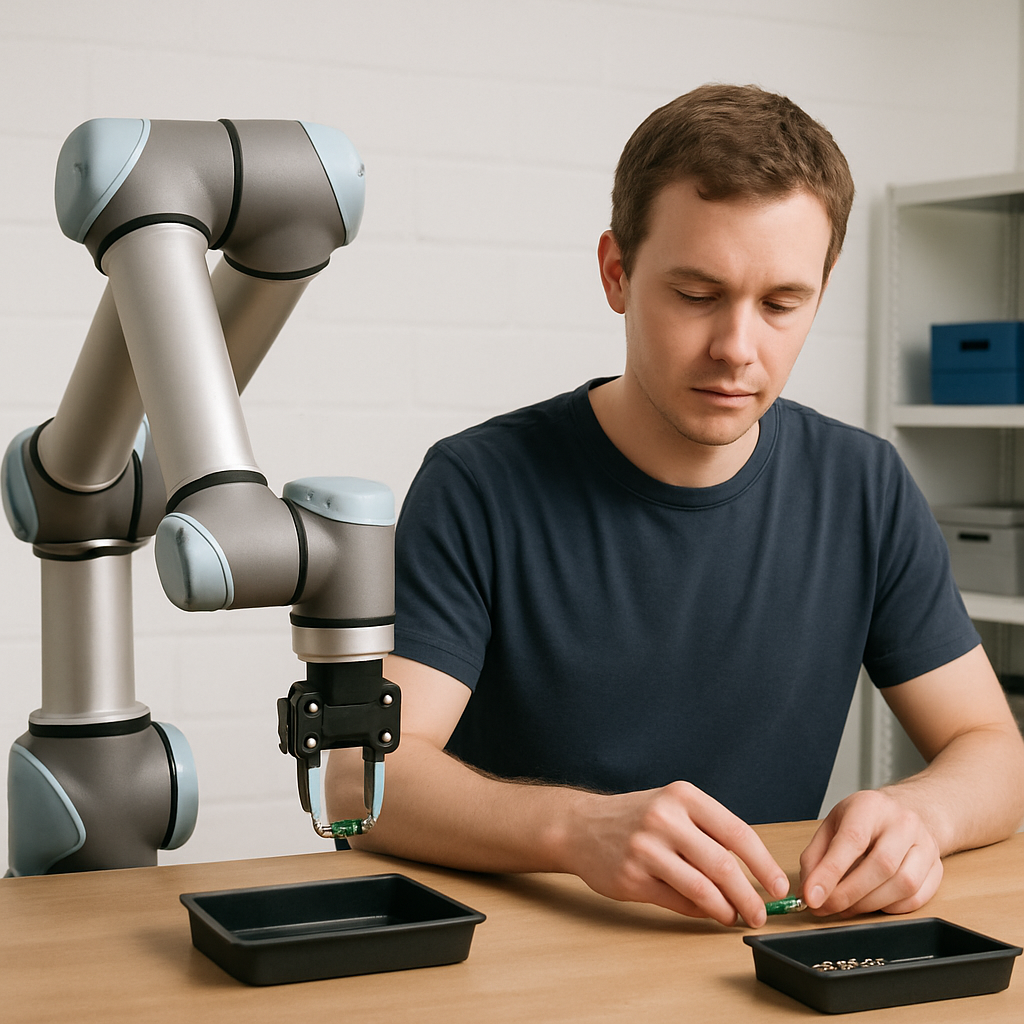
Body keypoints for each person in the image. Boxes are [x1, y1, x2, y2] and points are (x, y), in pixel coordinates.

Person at [326, 84, 1024, 929]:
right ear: (617, 273)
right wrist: (575, 828)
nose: (737, 348)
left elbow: (993, 750)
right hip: (534, 957)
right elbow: (359, 780)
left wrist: (924, 818)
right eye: (697, 295)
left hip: (762, 949)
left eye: (780, 305)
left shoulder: (864, 485)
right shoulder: (480, 483)